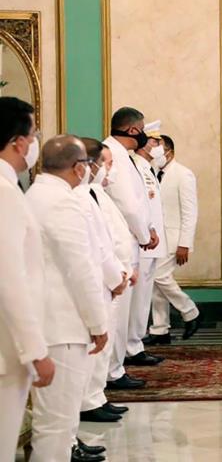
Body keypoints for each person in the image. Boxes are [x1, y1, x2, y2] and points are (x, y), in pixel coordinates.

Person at [26, 135, 109, 461]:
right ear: (78, 168)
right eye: (88, 165)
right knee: (57, 428)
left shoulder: (37, 194)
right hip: (62, 326)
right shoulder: (62, 202)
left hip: (48, 323)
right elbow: (81, 267)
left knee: (53, 424)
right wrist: (98, 322)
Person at [0, 97, 54, 461]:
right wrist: (35, 350)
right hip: (6, 349)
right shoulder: (4, 193)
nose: (34, 143)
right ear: (20, 142)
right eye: (33, 134)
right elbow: (9, 279)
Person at [76, 138, 131, 428]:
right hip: (101, 279)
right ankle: (90, 400)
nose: (109, 168)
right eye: (105, 162)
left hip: (114, 276)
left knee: (106, 340)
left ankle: (97, 396)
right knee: (97, 342)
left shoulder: (96, 193)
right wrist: (116, 274)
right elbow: (97, 244)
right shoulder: (81, 196)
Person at [103, 107, 158, 390]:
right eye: (143, 128)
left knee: (121, 315)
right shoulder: (117, 157)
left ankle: (115, 366)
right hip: (121, 243)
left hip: (127, 241)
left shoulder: (124, 156)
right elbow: (129, 203)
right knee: (117, 314)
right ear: (134, 130)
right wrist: (144, 232)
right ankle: (113, 371)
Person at [144, 134, 201, 345]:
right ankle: (160, 330)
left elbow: (190, 211)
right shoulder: (152, 173)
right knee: (156, 283)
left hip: (175, 238)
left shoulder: (183, 174)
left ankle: (191, 312)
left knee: (159, 276)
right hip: (157, 238)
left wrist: (185, 243)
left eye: (159, 149)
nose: (155, 154)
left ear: (170, 152)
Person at [126, 120, 169, 367]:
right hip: (142, 242)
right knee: (138, 298)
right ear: (144, 144)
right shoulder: (135, 168)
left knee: (144, 299)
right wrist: (145, 234)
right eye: (155, 142)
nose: (158, 147)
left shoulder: (149, 168)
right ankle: (132, 346)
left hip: (152, 244)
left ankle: (136, 343)